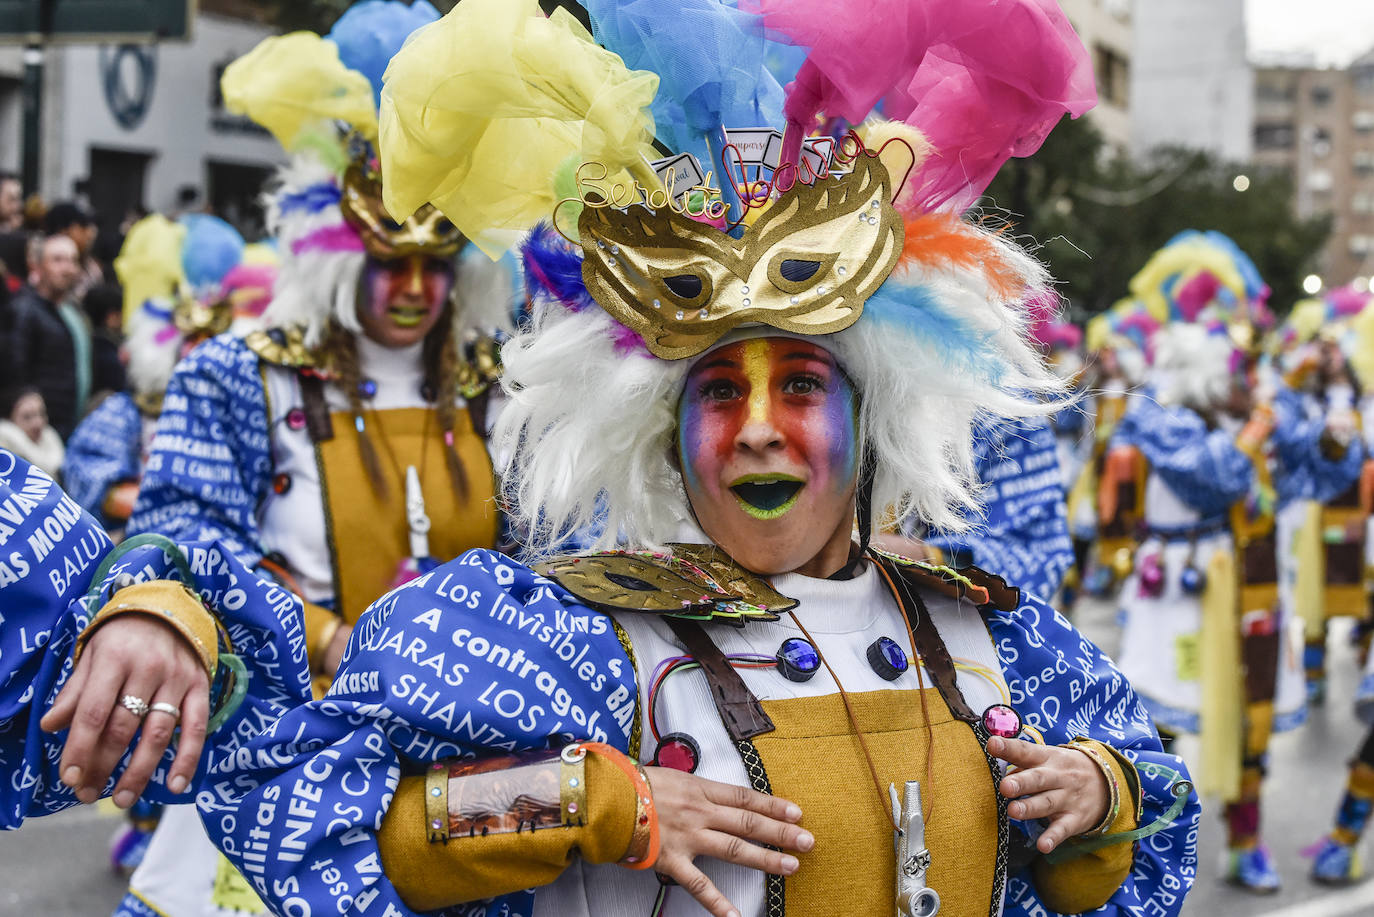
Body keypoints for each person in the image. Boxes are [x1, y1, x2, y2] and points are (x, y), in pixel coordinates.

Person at [199, 2, 1198, 916]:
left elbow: (1147, 815)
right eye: (719, 391)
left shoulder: (988, 633)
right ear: (663, 430)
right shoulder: (576, 638)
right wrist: (595, 802)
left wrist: (1101, 786)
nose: (757, 427)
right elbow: (336, 815)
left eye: (800, 385)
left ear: (872, 415)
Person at [117, 5, 515, 914]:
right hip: (286, 745)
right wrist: (329, 637)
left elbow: (555, 559)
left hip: (468, 748)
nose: (413, 288)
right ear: (336, 249)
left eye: (436, 262)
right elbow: (181, 542)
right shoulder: (237, 375)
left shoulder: (506, 384)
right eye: (387, 260)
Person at [1, 233, 92, 438]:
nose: (67, 268)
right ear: (38, 266)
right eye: (57, 260)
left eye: (73, 260)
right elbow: (15, 372)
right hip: (39, 431)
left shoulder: (74, 313)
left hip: (71, 426)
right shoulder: (23, 309)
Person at [0, 386, 64, 477]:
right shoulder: (5, 454)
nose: (38, 423)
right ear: (10, 420)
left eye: (41, 414)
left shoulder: (51, 438)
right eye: (27, 417)